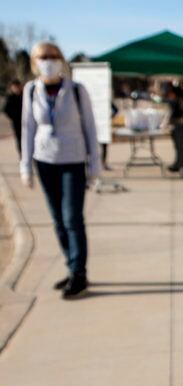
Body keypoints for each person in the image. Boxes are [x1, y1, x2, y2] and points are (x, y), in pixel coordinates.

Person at [20, 41, 100, 299]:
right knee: (57, 220)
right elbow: (27, 128)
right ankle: (71, 264)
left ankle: (79, 273)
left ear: (61, 59)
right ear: (35, 61)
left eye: (53, 56)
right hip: (45, 160)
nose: (49, 60)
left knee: (72, 218)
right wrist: (25, 165)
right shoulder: (32, 90)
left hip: (72, 160)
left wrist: (95, 164)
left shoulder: (76, 90)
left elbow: (90, 127)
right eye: (43, 57)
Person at [3, 80, 23, 156]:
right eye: (15, 87)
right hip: (16, 122)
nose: (17, 89)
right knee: (19, 139)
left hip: (27, 122)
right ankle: (22, 155)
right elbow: (6, 109)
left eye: (18, 87)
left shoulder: (25, 96)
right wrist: (14, 116)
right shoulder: (10, 98)